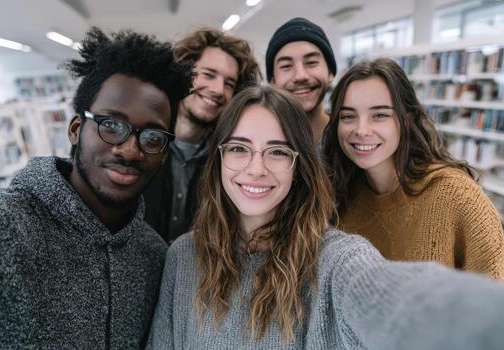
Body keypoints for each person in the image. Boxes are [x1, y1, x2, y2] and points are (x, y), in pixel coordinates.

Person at [147, 86, 504, 350]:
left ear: (299, 165)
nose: (256, 169)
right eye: (239, 148)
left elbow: (392, 298)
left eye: (277, 151)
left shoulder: (334, 260)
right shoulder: (183, 257)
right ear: (219, 158)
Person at [0, 27, 190, 349]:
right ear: (76, 129)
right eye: (112, 126)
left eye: (151, 137)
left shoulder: (153, 256)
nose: (130, 150)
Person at [323, 57, 504, 279]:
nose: (361, 130)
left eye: (380, 115)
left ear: (406, 119)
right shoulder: (341, 197)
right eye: (348, 116)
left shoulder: (457, 195)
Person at [143, 27, 261, 244]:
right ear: (182, 73)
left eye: (229, 84)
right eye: (208, 75)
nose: (218, 90)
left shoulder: (230, 162)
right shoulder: (143, 146)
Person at [266, 17, 337, 152]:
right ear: (272, 81)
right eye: (286, 66)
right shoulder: (262, 142)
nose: (300, 76)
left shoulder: (351, 140)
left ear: (330, 72)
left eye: (311, 63)